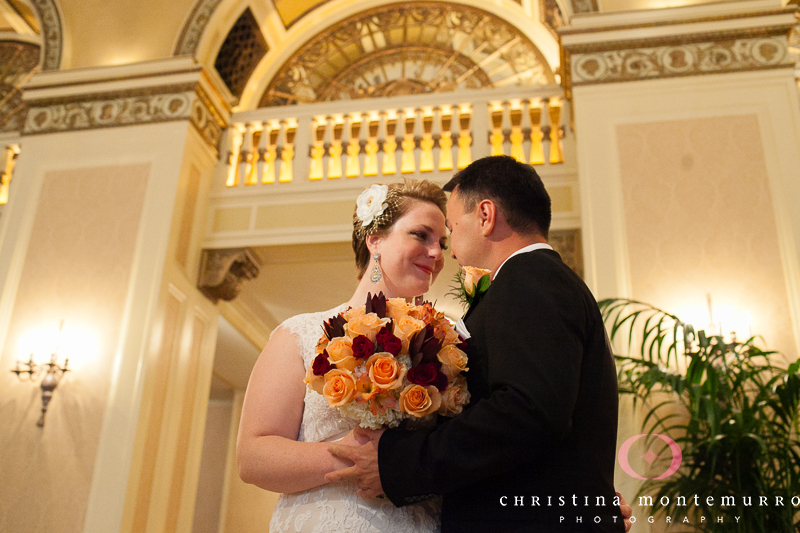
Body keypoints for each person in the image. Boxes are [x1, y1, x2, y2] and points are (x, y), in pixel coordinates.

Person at [327, 156, 626, 532]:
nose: (448, 253)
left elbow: (528, 411)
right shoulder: (535, 281)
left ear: (486, 215)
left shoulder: (529, 281)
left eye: (451, 229)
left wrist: (397, 464)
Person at [236, 179, 449, 533]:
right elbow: (252, 457)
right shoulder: (301, 333)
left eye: (442, 242)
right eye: (421, 235)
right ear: (375, 239)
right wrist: (353, 455)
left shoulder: (444, 343)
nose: (437, 253)